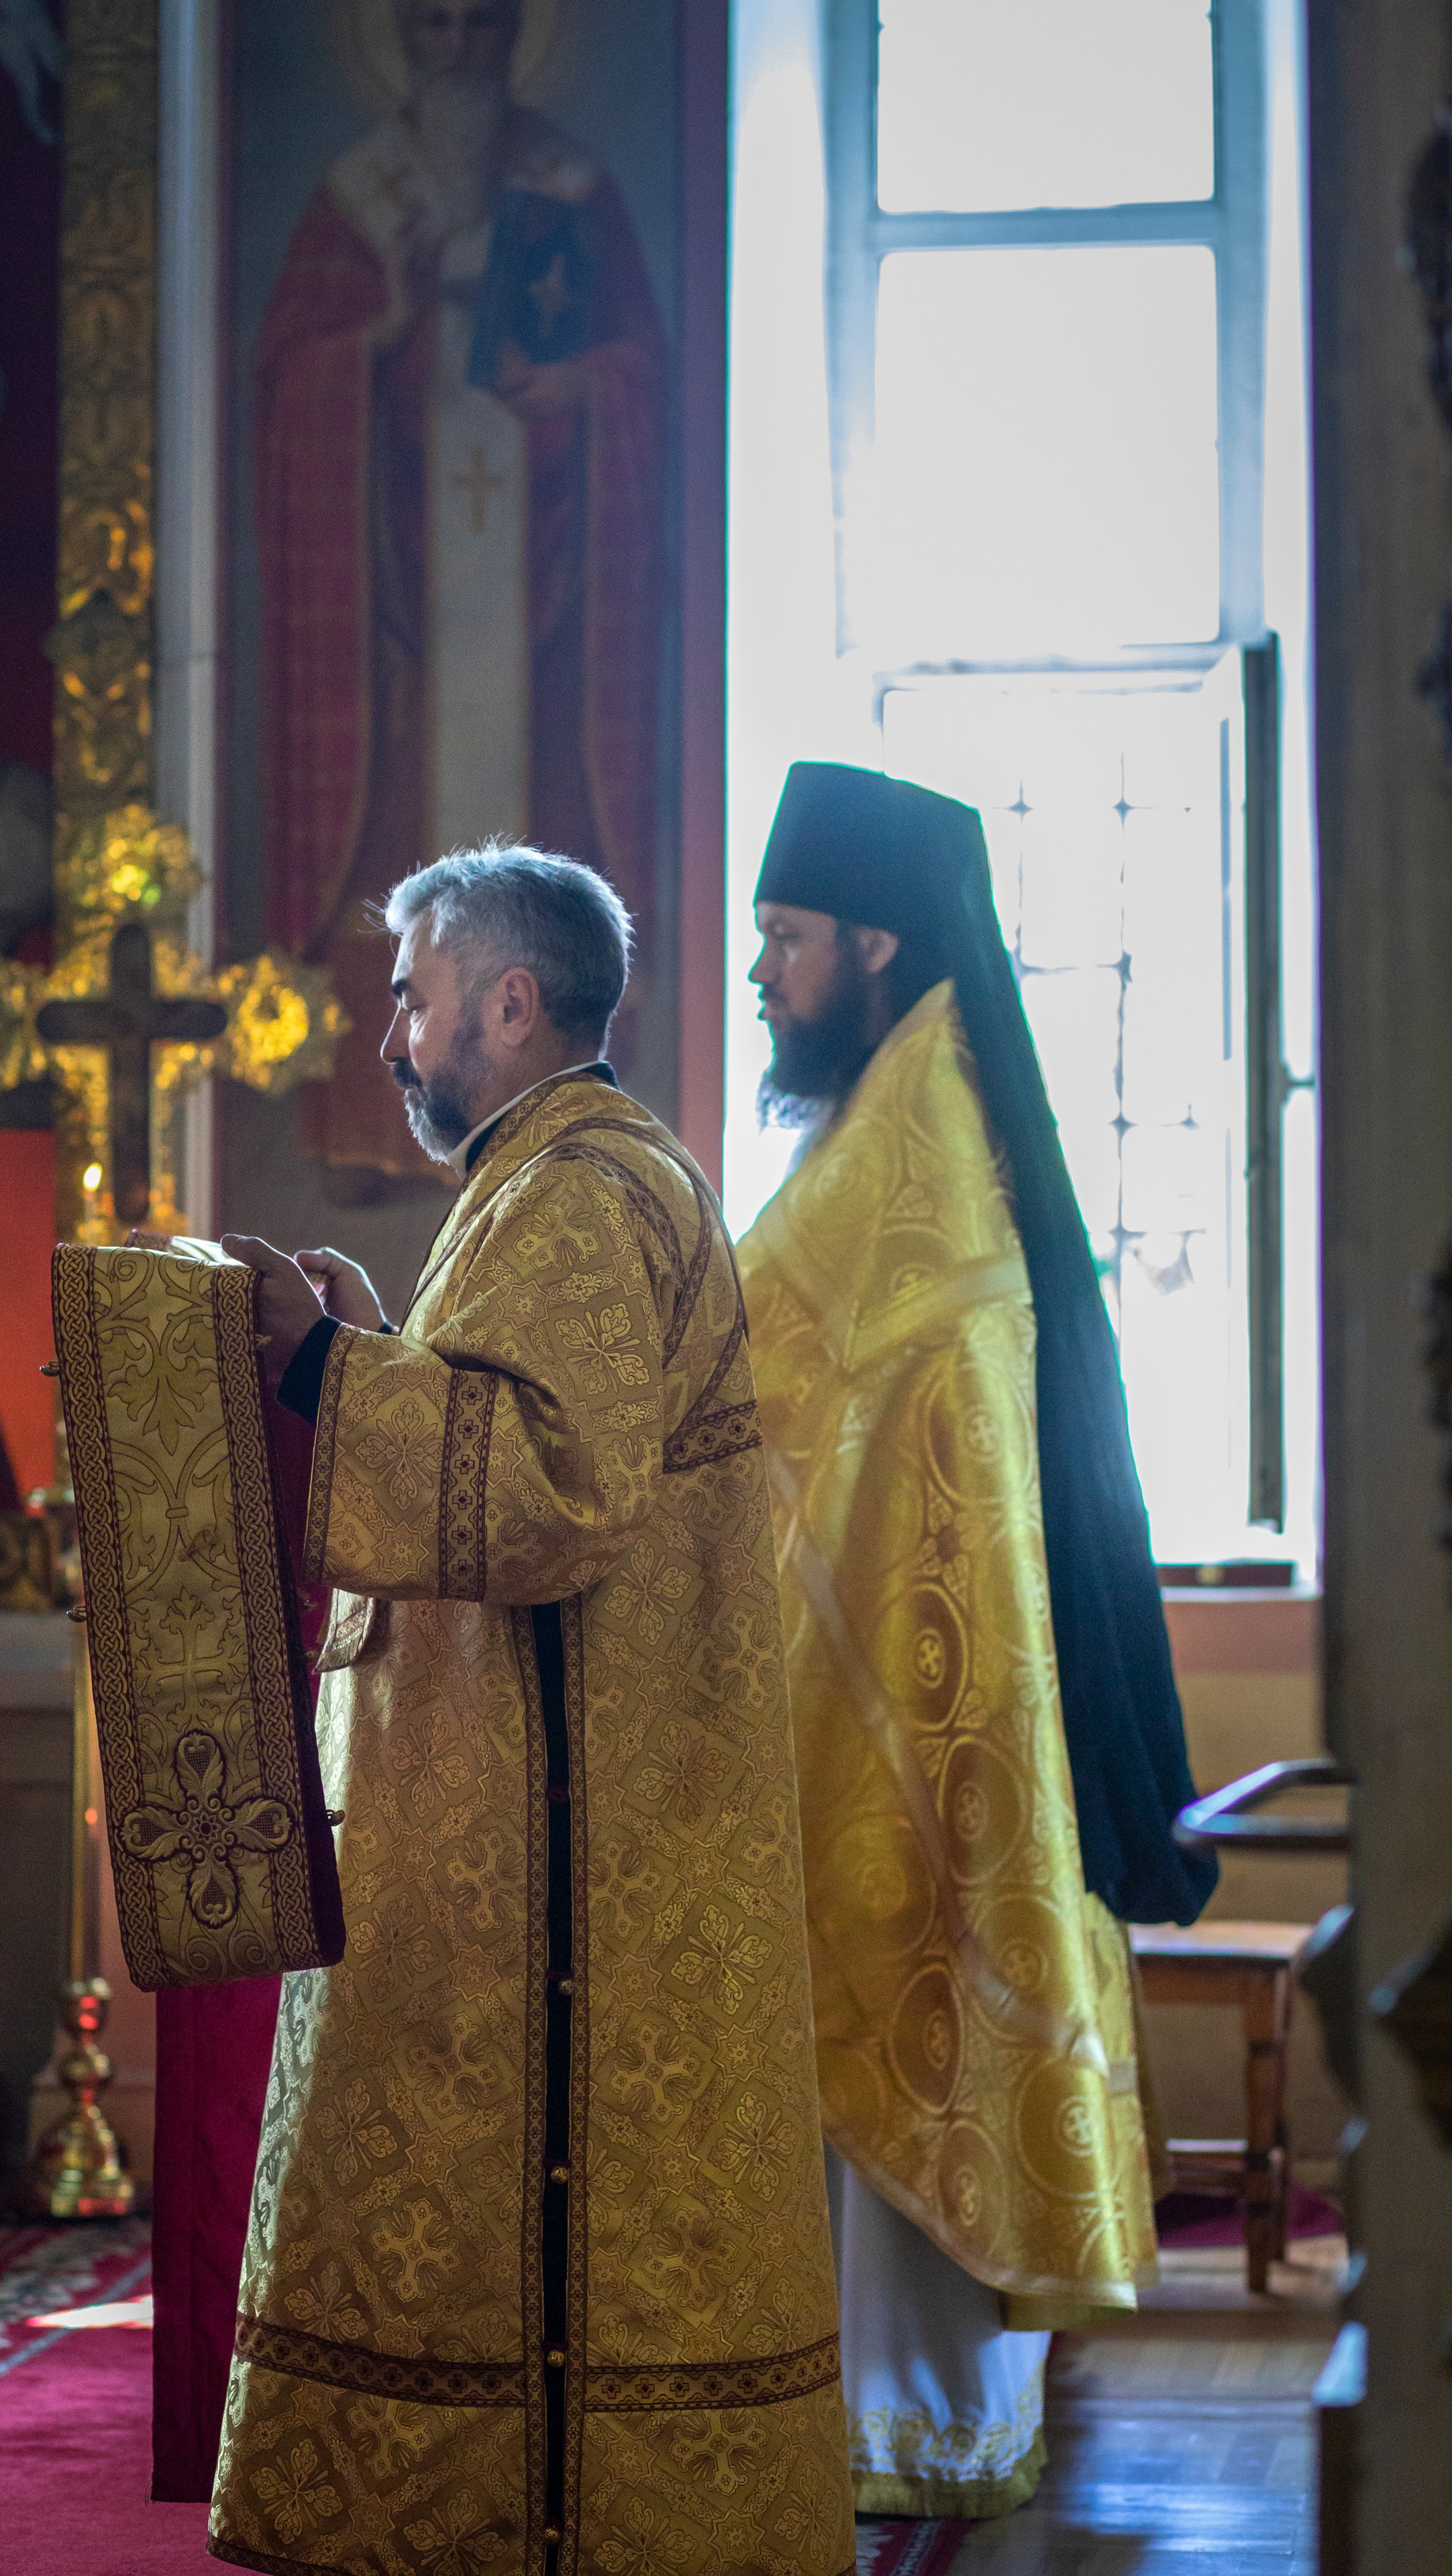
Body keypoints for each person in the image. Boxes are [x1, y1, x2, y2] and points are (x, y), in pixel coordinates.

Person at [212, 845, 855, 2576]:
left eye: (412, 997)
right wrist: (375, 1352)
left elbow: (553, 1492)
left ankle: (530, 2526)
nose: (389, 1036)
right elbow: (508, 1423)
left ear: (510, 1001)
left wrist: (311, 1368)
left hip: (563, 1854)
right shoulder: (559, 1174)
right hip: (545, 1798)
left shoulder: (573, 1187)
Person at [734, 761, 1216, 2521]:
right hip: (937, 1675)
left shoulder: (910, 1145)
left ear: (874, 940)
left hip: (919, 1693)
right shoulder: (919, 1108)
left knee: (893, 1984)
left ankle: (904, 2419)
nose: (768, 968)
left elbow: (741, 1363)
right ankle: (938, 2412)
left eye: (786, 937)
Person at [254, 0, 666, 1179]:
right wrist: (381, 339)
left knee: (531, 795)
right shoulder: (358, 196)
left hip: (537, 565)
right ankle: (360, 1143)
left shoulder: (570, 190)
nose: (451, 46)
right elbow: (292, 375)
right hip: (400, 584)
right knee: (402, 821)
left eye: (474, 22)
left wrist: (584, 394)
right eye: (426, 23)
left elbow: (640, 367)